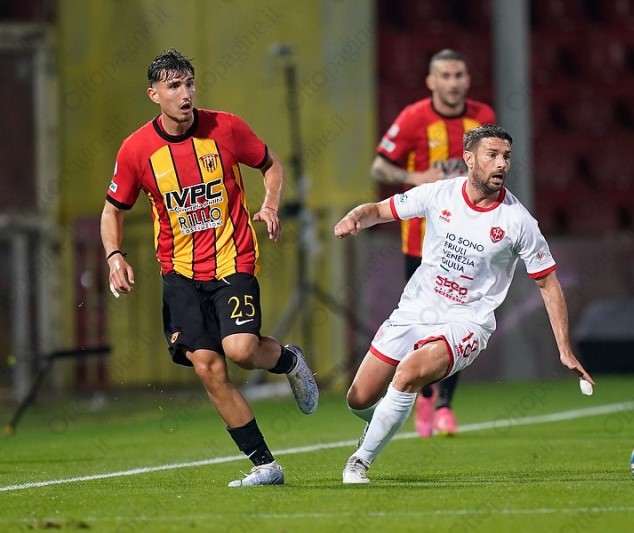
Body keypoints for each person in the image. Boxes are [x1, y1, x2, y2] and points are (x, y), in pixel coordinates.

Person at [100, 49, 319, 487]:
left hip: (232, 259)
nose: (185, 94)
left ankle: (289, 361)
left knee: (240, 350)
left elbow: (271, 164)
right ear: (154, 94)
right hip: (179, 273)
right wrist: (114, 255)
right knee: (208, 366)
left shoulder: (226, 127)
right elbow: (112, 210)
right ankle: (265, 465)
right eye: (174, 86)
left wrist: (270, 204)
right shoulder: (136, 149)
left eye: (189, 83)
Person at [334, 124, 595, 484]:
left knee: (408, 373)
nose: (501, 164)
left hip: (468, 322)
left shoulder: (519, 221)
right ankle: (382, 421)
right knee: (359, 399)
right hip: (415, 310)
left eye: (506, 157)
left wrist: (564, 349)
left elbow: (548, 283)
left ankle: (359, 462)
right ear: (469, 159)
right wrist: (354, 218)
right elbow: (379, 210)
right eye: (492, 155)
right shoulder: (439, 194)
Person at [371, 48, 496, 438]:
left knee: (462, 322)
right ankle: (425, 395)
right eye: (445, 75)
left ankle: (445, 406)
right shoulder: (413, 118)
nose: (453, 83)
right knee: (426, 324)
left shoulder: (483, 117)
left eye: (459, 75)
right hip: (421, 243)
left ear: (467, 80)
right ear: (431, 81)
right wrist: (416, 176)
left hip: (470, 240)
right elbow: (379, 166)